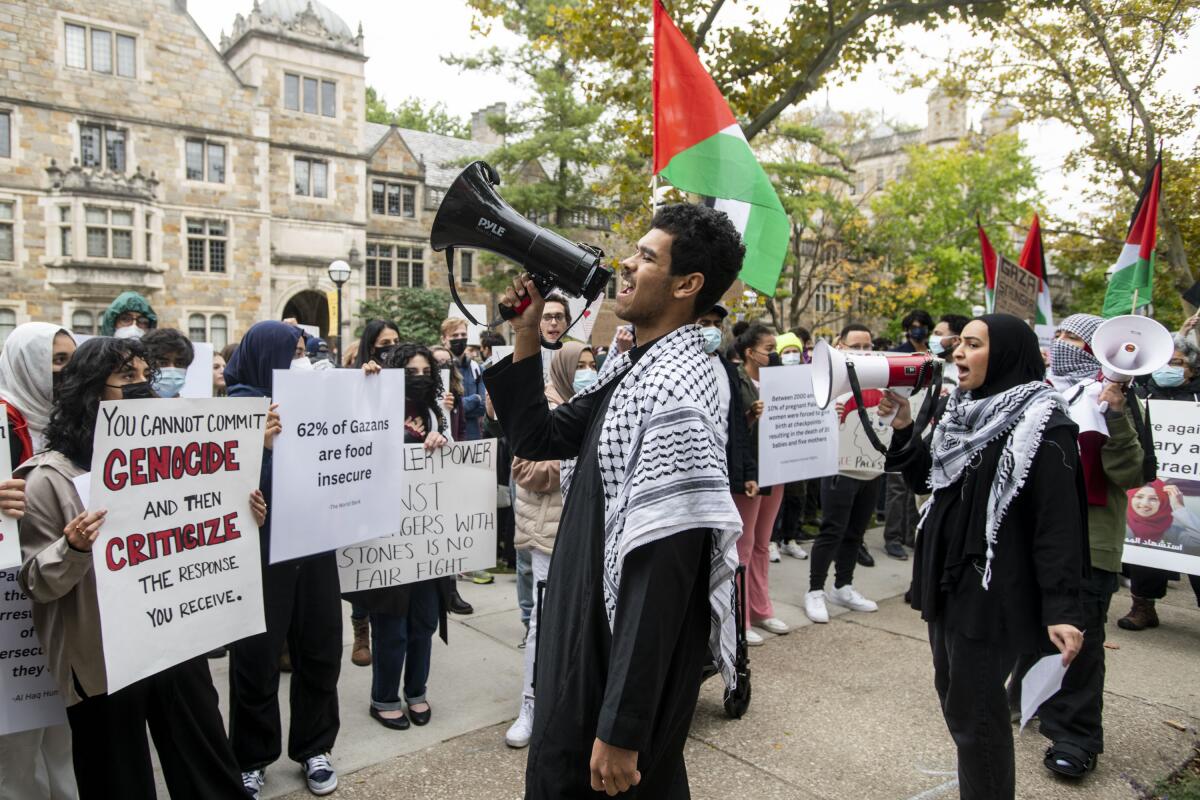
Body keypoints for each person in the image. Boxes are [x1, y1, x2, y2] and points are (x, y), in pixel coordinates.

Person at [486, 203, 746, 798]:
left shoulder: (675, 390)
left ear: (687, 285)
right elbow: (540, 438)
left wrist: (624, 726)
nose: (626, 262)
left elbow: (663, 572)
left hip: (613, 658)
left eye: (647, 256)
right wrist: (527, 331)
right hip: (584, 630)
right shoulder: (633, 370)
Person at [16, 336, 265, 800]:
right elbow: (35, 582)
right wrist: (72, 547)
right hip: (101, 662)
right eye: (126, 378)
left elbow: (196, 526)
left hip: (174, 638)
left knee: (206, 759)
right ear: (91, 390)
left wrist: (241, 515)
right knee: (117, 776)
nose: (142, 387)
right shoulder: (48, 478)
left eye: (143, 377)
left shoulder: (172, 454)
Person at [880, 314, 1086, 800]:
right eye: (959, 343)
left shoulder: (1045, 425)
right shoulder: (963, 412)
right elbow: (926, 480)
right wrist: (906, 426)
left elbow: (1058, 525)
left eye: (972, 344)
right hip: (949, 579)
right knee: (957, 698)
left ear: (1007, 355)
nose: (957, 353)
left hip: (993, 589)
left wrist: (1062, 607)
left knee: (976, 714)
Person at [224, 322, 342, 799]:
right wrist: (262, 449)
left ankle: (315, 747)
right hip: (261, 550)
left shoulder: (313, 397)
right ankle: (252, 757)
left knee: (318, 647)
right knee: (256, 655)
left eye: (304, 351)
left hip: (312, 542)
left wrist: (371, 383)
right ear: (265, 356)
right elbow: (216, 487)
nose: (301, 359)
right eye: (291, 352)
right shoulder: (233, 410)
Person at [346, 344, 450, 732]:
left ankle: (417, 690)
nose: (420, 378)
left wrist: (442, 444)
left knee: (423, 621)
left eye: (426, 371)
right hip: (385, 536)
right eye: (411, 371)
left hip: (426, 536)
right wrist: (366, 387)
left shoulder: (434, 414)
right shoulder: (377, 407)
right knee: (392, 623)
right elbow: (350, 437)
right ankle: (384, 697)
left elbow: (451, 466)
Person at [0, 322, 78, 800]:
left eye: (72, 359)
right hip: (9, 596)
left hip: (57, 582)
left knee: (63, 718)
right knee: (18, 730)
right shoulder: (4, 420)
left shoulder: (69, 423)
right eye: (57, 361)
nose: (66, 373)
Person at [504, 342, 594, 749]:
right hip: (546, 535)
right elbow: (522, 467)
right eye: (582, 365)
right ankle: (531, 705)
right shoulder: (542, 407)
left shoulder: (596, 405)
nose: (588, 371)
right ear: (564, 369)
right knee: (543, 622)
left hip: (585, 532)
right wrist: (570, 459)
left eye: (594, 364)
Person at [805, 324, 884, 624]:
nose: (863, 351)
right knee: (832, 530)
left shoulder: (881, 380)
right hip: (839, 468)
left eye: (867, 346)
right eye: (856, 345)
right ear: (840, 345)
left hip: (871, 470)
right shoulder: (830, 378)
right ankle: (815, 590)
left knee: (855, 532)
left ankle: (843, 585)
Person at [1121, 333, 1200, 628]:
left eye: (1176, 361)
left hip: (1193, 485)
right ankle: (1143, 606)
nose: (1168, 366)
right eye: (1164, 360)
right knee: (1145, 543)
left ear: (1191, 368)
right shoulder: (1142, 393)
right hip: (1149, 484)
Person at [345, 319, 403, 665]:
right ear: (370, 347)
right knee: (363, 558)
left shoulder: (407, 376)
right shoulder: (357, 379)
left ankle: (387, 625)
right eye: (384, 342)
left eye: (396, 341)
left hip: (396, 479)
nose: (391, 347)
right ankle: (360, 627)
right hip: (363, 481)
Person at [729, 323, 791, 645]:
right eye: (769, 348)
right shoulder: (735, 379)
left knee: (763, 543)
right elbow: (733, 427)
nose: (775, 354)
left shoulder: (781, 381)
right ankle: (740, 617)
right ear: (750, 352)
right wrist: (751, 415)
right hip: (748, 472)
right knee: (745, 544)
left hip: (775, 468)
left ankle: (761, 607)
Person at [882, 309, 936, 561]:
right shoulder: (898, 355)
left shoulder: (932, 357)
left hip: (923, 425)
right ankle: (892, 537)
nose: (918, 330)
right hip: (900, 424)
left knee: (916, 486)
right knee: (896, 488)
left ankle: (909, 534)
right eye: (913, 326)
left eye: (922, 326)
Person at [770, 330, 811, 561]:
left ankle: (790, 538)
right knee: (777, 498)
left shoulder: (809, 377)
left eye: (796, 351)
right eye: (787, 352)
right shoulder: (771, 377)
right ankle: (772, 539)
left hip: (800, 446)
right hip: (778, 447)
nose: (793, 355)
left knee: (797, 496)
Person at [440, 318, 487, 441]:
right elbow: (441, 407)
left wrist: (456, 407)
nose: (460, 338)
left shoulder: (477, 368)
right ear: (444, 339)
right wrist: (474, 399)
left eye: (463, 334)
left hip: (472, 438)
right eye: (454, 335)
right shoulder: (437, 367)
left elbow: (483, 406)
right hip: (446, 439)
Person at [141, 328, 194, 399]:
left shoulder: (195, 409)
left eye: (179, 364)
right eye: (163, 363)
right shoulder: (128, 407)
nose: (172, 369)